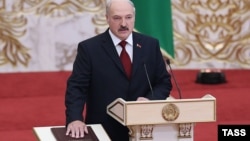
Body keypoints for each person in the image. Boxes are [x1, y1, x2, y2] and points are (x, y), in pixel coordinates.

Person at [65, 0, 172, 140]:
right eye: (117, 18)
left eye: (128, 17)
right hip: (104, 129)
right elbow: (77, 87)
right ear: (107, 18)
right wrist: (75, 118)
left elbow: (163, 82)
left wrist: (149, 99)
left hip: (144, 127)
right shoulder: (90, 49)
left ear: (134, 17)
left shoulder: (150, 45)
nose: (123, 24)